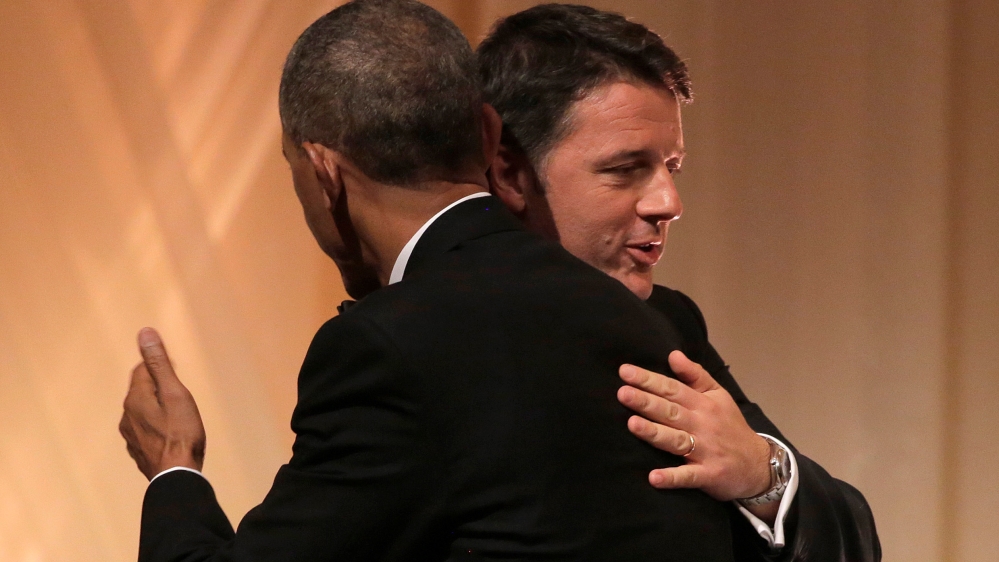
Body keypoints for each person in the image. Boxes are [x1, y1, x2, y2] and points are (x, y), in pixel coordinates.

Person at [119, 1, 750, 560]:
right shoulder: (642, 319)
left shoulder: (391, 346)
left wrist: (173, 468)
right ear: (487, 134)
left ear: (322, 171)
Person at [477, 4, 880, 561]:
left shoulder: (669, 324)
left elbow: (853, 537)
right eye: (624, 168)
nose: (670, 203)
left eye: (673, 167)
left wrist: (762, 474)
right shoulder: (424, 343)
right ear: (510, 174)